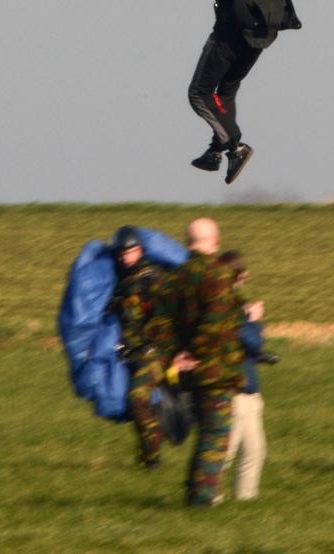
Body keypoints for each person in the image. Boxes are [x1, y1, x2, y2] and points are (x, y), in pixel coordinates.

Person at [189, 0, 305, 183]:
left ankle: (234, 146)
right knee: (226, 93)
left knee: (199, 93)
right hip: (257, 42)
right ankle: (216, 151)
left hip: (227, 41)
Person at [146, 217, 245, 507]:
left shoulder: (171, 279)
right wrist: (195, 352)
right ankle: (202, 498)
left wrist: (175, 354)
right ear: (215, 241)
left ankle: (196, 491)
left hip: (186, 372)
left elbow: (158, 324)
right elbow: (215, 322)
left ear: (188, 241)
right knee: (215, 435)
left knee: (205, 434)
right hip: (215, 370)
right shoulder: (219, 275)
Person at [107, 224, 182, 469]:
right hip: (132, 353)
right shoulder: (120, 282)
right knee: (131, 406)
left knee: (137, 398)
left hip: (155, 353)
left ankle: (152, 458)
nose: (125, 257)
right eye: (121, 253)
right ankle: (146, 457)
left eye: (129, 252)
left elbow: (168, 314)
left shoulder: (153, 277)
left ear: (140, 250)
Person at [220, 249, 274, 501]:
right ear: (242, 275)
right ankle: (209, 498)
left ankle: (246, 500)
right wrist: (254, 320)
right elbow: (251, 343)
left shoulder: (232, 303)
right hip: (235, 392)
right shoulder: (228, 305)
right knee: (224, 453)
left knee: (254, 451)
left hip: (249, 392)